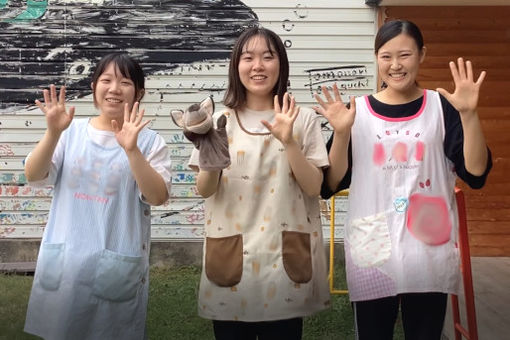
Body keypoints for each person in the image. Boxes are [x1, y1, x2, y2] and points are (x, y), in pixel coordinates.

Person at [315, 20, 492, 340]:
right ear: (376, 58)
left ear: (422, 55)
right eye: (386, 56)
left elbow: (476, 172)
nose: (395, 65)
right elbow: (331, 183)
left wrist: (468, 114)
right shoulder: (358, 113)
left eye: (405, 55)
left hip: (427, 251)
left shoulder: (442, 108)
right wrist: (341, 134)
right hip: (372, 253)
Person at [185, 27, 331, 340]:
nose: (258, 66)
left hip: (284, 262)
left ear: (281, 64)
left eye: (268, 56)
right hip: (232, 257)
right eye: (248, 57)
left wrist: (289, 141)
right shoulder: (216, 121)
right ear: (236, 66)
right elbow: (205, 190)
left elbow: (314, 187)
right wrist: (211, 153)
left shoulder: (302, 119)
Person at [23, 52, 172, 339]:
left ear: (139, 92)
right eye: (106, 80)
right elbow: (33, 174)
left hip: (116, 268)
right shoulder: (69, 132)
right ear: (93, 87)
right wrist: (52, 133)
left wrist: (132, 150)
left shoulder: (152, 142)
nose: (114, 89)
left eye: (125, 82)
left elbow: (156, 196)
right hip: (66, 266)